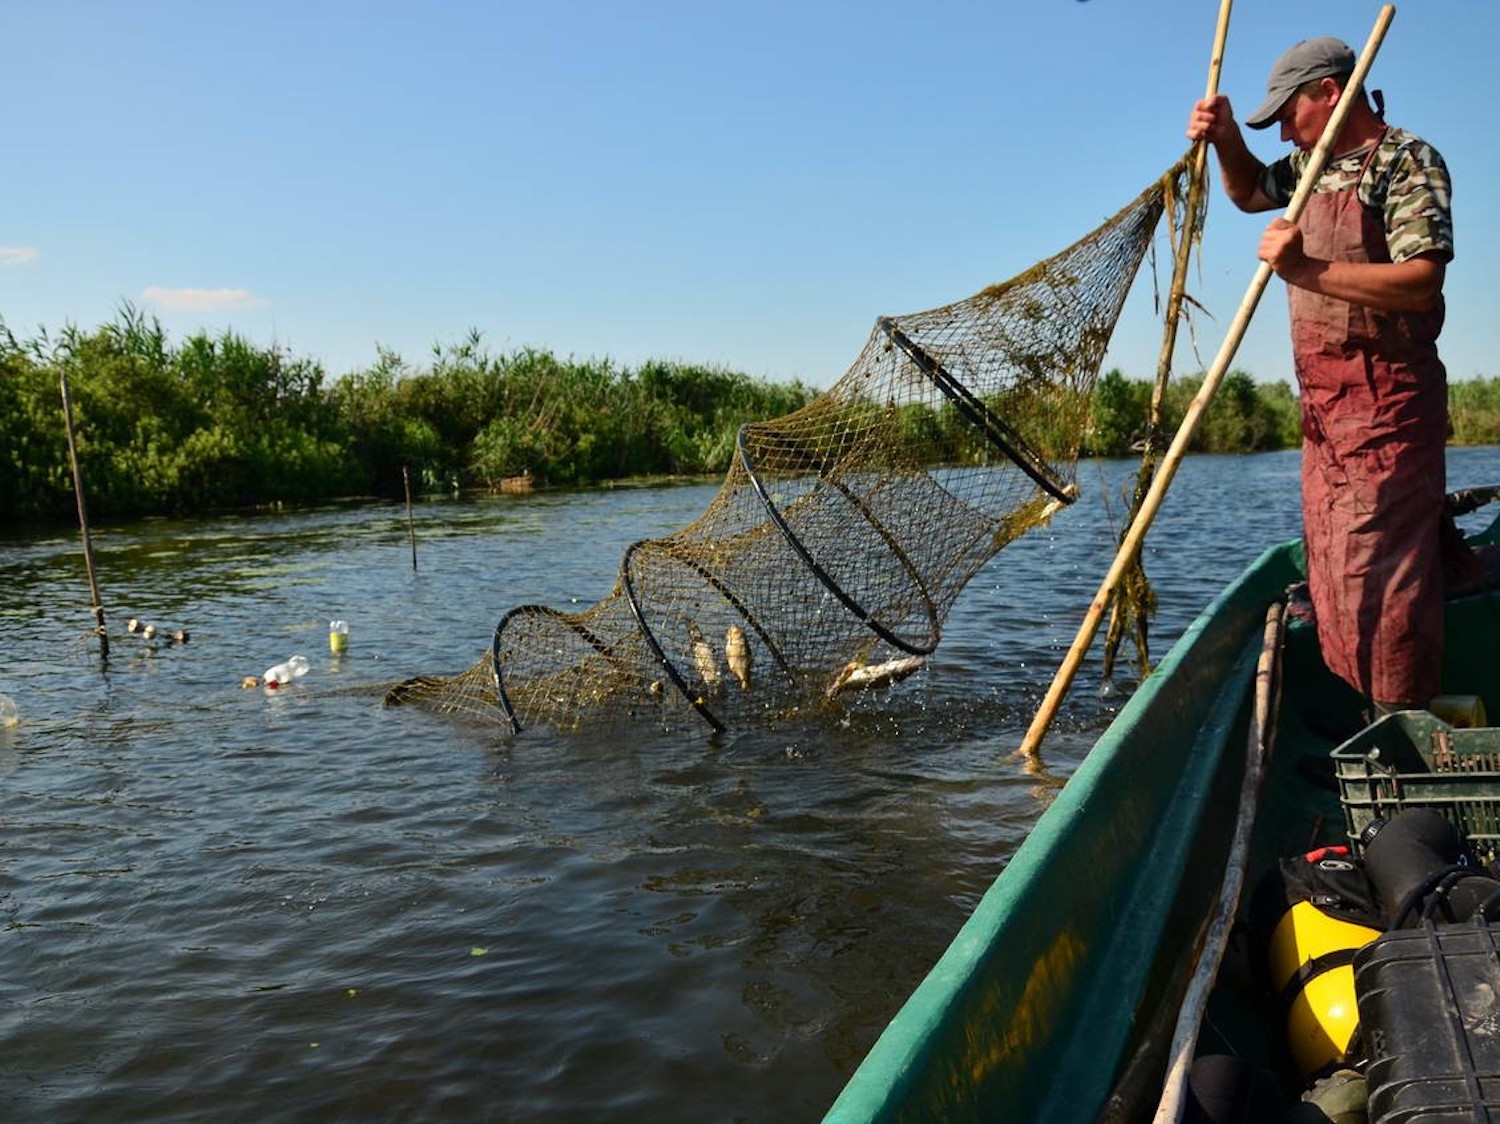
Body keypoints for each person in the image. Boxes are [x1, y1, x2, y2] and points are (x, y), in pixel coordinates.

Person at [1187, 36, 1466, 717]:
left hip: (1388, 413)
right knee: (1336, 579)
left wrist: (1306, 271)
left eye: (1289, 112)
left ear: (1330, 93)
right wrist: (1224, 138)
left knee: (1386, 585)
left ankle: (1402, 744)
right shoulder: (1312, 166)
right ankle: (1362, 724)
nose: (1283, 130)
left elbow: (1422, 282)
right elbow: (1251, 190)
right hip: (1326, 417)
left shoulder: (1404, 161)